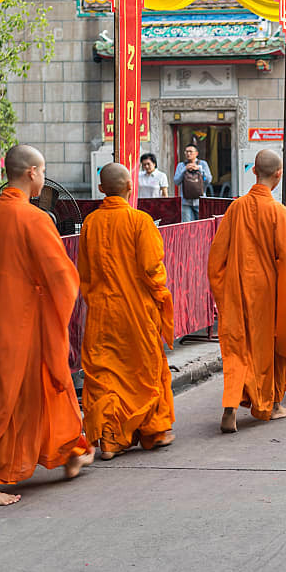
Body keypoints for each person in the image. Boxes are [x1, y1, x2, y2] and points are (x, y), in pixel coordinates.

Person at [0, 145, 94, 506]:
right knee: (7, 397)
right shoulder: (35, 218)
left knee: (49, 386)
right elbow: (64, 277)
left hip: (3, 319)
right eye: (43, 171)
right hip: (30, 322)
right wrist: (51, 310)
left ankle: (70, 450)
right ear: (33, 173)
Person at [207, 149, 286, 433]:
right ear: (279, 174)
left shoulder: (235, 208)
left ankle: (230, 406)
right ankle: (270, 405)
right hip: (267, 291)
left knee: (238, 349)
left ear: (254, 171)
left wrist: (222, 291)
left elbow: (217, 257)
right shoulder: (278, 212)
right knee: (267, 350)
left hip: (237, 288)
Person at [79, 163, 175, 461]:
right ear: (131, 187)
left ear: (100, 189)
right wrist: (161, 295)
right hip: (135, 312)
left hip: (100, 312)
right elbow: (151, 267)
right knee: (143, 372)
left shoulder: (90, 223)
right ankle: (153, 431)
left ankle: (108, 439)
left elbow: (84, 270)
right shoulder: (140, 221)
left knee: (105, 374)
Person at [173, 145, 212, 222]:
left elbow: (208, 180)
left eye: (190, 151)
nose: (188, 154)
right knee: (187, 226)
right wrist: (184, 169)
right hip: (185, 202)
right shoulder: (181, 165)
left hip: (200, 201)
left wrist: (200, 170)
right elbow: (176, 182)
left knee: (201, 225)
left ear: (196, 153)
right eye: (186, 152)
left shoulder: (203, 164)